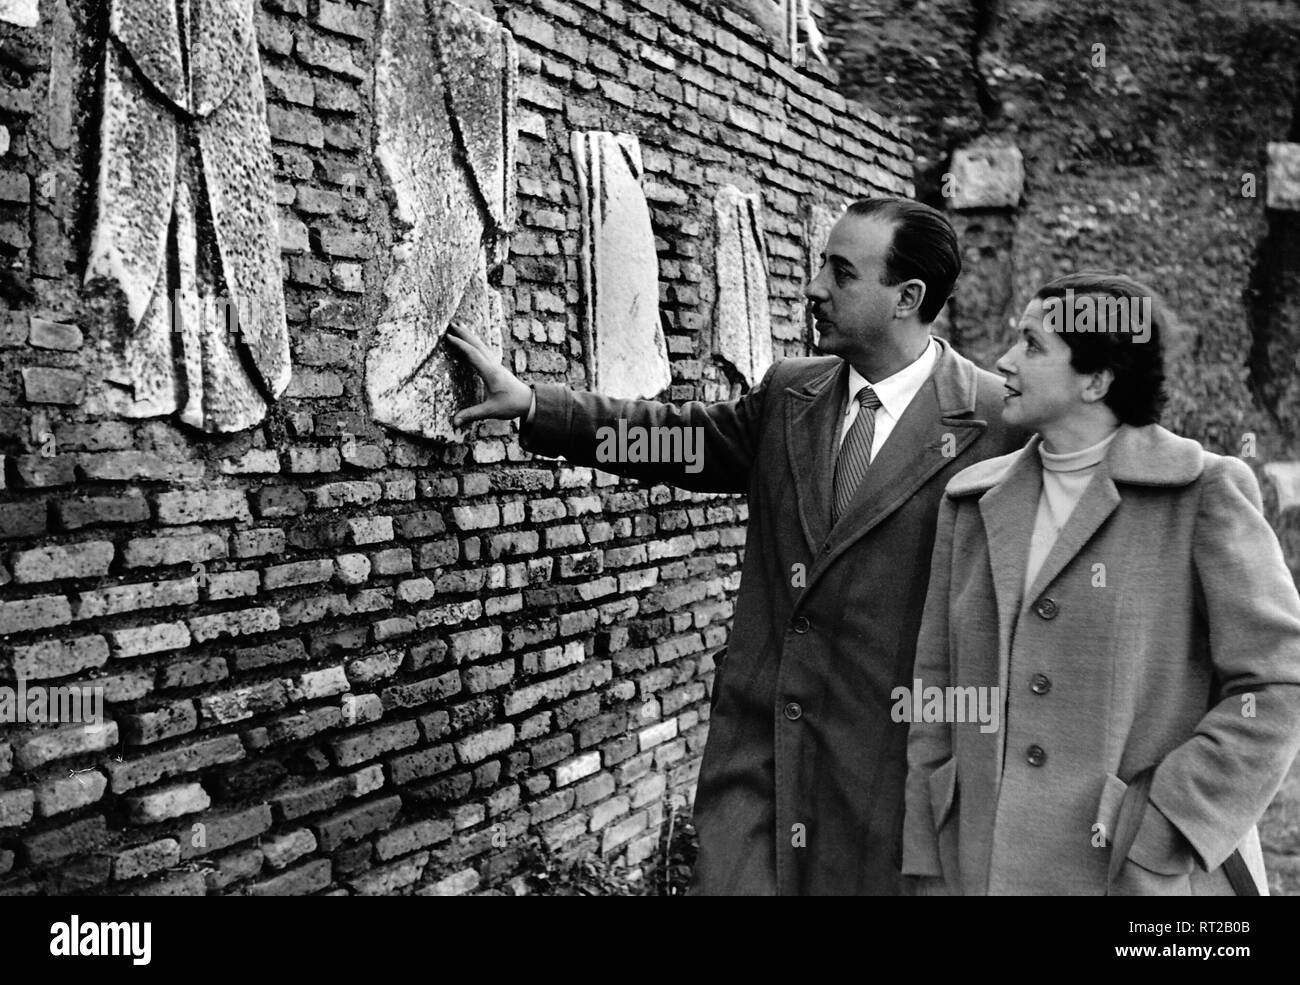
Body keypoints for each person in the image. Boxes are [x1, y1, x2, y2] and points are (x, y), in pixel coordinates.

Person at [450, 197, 1026, 894]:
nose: (814, 287)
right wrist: (541, 407)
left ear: (907, 298)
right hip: (759, 759)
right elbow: (681, 440)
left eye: (841, 273)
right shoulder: (791, 392)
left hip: (889, 780)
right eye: (821, 264)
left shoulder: (998, 424)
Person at [902, 272, 1300, 895]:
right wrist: (929, 855)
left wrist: (1166, 827)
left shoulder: (1202, 493)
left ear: (1097, 379)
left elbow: (1277, 680)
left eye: (1032, 345)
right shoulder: (970, 501)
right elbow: (937, 690)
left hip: (1134, 881)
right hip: (977, 869)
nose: (1004, 360)